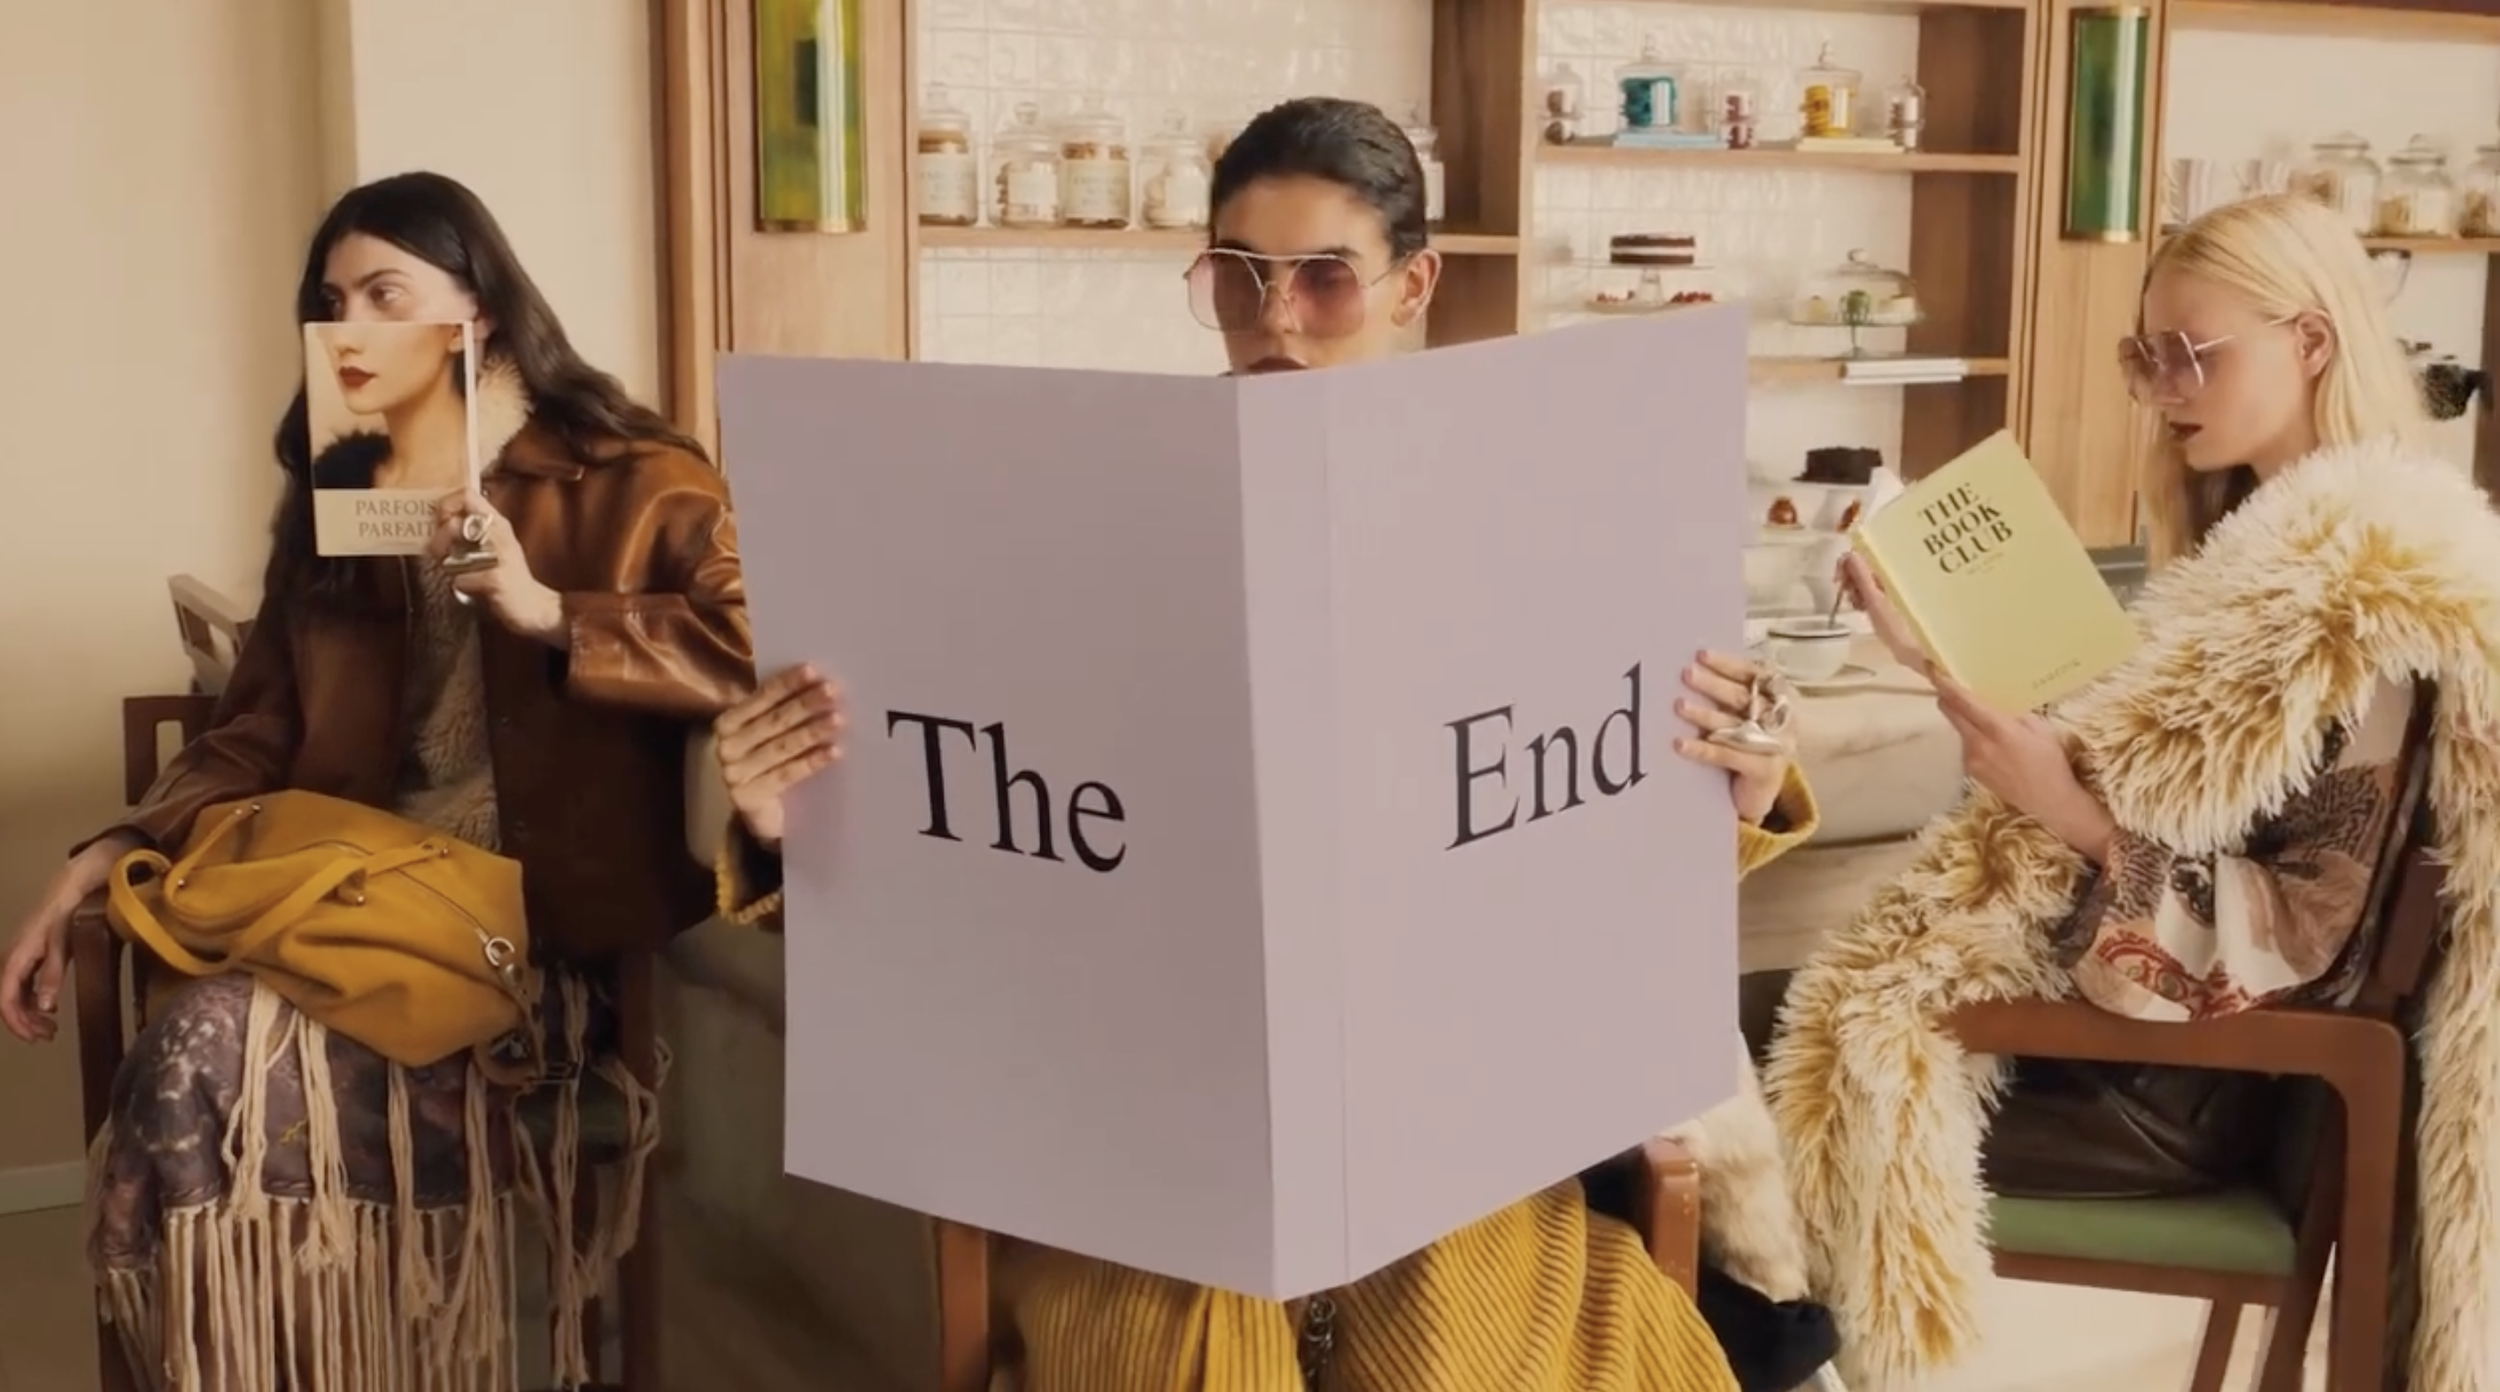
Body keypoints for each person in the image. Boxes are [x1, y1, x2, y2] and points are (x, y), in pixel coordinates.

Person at [708, 97, 1827, 1392]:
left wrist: (1730, 783)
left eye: (1322, 281)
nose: (1277, 319)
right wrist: (795, 822)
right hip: (1136, 1161)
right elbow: (969, 852)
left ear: (1415, 284)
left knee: (1470, 1359)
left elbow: (1611, 883)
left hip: (1459, 1154)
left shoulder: (1530, 522)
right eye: (1238, 280)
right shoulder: (1079, 518)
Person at [0, 171, 753, 1392]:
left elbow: (760, 646)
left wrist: (550, 611)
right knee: (187, 1053)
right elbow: (257, 724)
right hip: (357, 912)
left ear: (484, 311)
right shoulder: (339, 502)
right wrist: (106, 847)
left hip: (534, 953)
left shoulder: (636, 478)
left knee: (196, 1051)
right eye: (335, 298)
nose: (355, 322)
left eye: (387, 291)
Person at [1758, 192, 2500, 1391]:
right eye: (2144, 355)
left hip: (2170, 1090)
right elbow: (2152, 770)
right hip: (2132, 1056)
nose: (2163, 389)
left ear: (2311, 342)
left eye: (2193, 353)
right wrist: (1938, 656)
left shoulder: (2365, 593)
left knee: (1710, 1096)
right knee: (1710, 1059)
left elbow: (2310, 937)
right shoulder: (2269, 552)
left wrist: (2069, 812)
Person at [308, 318, 474, 490]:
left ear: (456, 332)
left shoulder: (499, 483)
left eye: (385, 297)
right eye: (334, 303)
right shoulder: (332, 479)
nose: (341, 342)